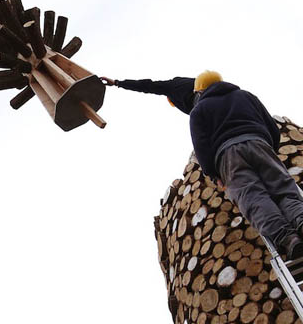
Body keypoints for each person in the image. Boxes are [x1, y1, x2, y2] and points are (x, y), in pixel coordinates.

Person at [101, 70, 303, 259]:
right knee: (283, 188)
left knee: (253, 197)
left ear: (198, 91)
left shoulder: (197, 108)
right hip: (260, 143)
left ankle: (288, 239)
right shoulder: (245, 95)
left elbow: (201, 146)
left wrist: (213, 174)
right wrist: (270, 148)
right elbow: (271, 125)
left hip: (228, 155)